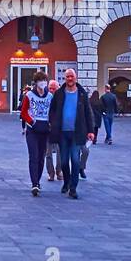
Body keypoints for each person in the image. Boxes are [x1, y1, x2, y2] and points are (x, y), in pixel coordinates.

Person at [47, 67, 94, 200]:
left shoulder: (82, 93)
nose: (69, 79)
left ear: (75, 77)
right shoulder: (59, 93)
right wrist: (53, 122)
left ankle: (73, 188)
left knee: (75, 159)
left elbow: (88, 113)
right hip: (62, 132)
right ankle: (66, 182)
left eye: (71, 76)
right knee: (63, 162)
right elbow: (52, 110)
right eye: (67, 76)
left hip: (77, 132)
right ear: (65, 78)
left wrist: (90, 130)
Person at [19, 71, 53, 196]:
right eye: (40, 80)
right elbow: (23, 112)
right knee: (34, 156)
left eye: (44, 80)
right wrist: (32, 122)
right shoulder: (29, 95)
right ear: (36, 82)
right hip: (32, 130)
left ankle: (37, 181)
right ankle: (34, 183)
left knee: (41, 157)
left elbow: (52, 112)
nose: (43, 83)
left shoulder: (50, 96)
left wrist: (51, 123)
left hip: (45, 130)